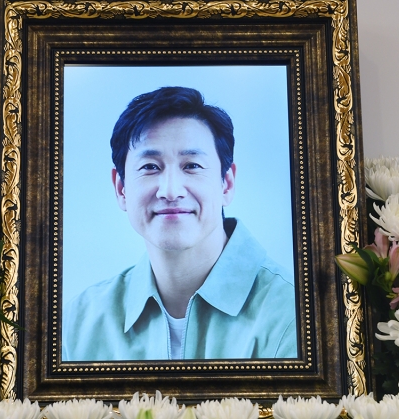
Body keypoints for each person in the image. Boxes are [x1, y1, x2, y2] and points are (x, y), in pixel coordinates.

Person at [62, 86, 297, 361]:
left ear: (227, 183)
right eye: (150, 167)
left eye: (192, 166)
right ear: (121, 189)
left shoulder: (293, 313)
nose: (170, 191)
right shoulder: (79, 323)